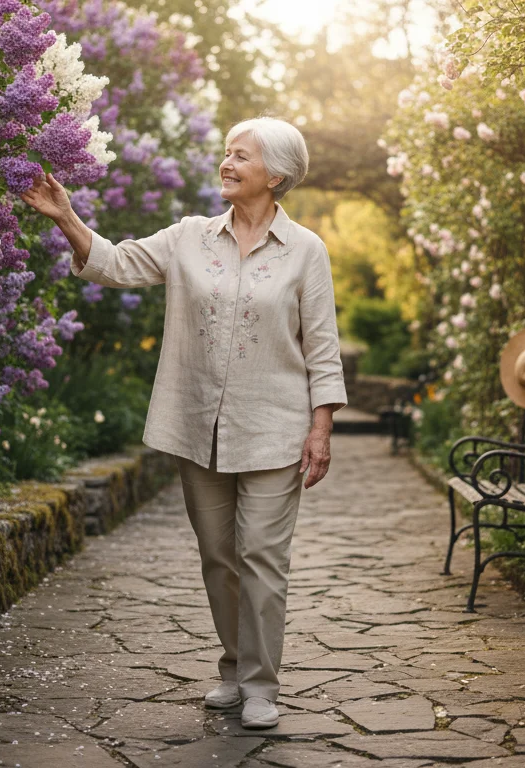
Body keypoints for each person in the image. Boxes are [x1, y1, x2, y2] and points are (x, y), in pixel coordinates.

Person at [21, 116, 347, 730]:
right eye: (226, 152)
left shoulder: (307, 250)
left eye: (240, 156)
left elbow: (322, 348)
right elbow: (116, 263)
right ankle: (233, 667)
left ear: (274, 175)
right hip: (199, 426)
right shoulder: (190, 237)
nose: (226, 162)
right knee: (218, 556)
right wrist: (67, 216)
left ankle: (260, 685)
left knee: (263, 559)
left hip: (275, 428)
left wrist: (320, 427)